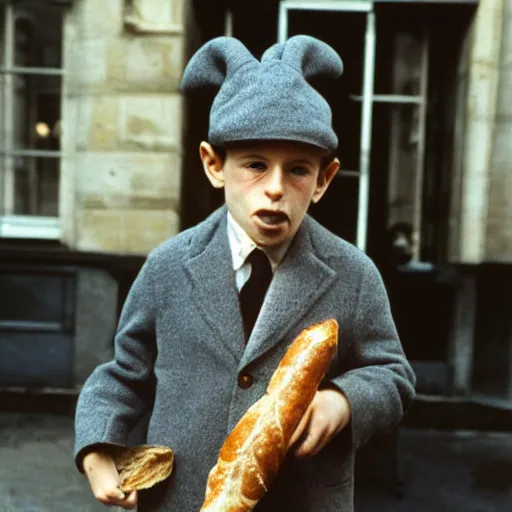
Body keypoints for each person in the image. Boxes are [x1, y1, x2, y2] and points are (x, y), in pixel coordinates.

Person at [74, 35, 416, 512]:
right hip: (181, 500)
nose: (275, 189)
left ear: (324, 179)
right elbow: (124, 375)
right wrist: (97, 446)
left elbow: (393, 374)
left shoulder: (352, 274)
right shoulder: (169, 267)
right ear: (214, 165)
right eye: (255, 165)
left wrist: (344, 401)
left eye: (298, 170)